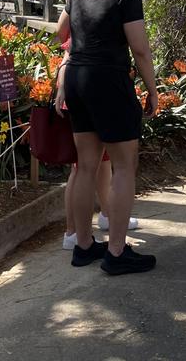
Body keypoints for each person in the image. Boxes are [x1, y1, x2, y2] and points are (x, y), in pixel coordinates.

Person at [56, 0, 158, 275]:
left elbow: (61, 34)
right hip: (109, 81)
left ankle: (84, 246)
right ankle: (116, 252)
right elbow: (140, 50)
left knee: (85, 165)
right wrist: (153, 90)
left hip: (77, 79)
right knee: (124, 165)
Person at [55, 45, 139, 250]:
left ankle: (108, 215)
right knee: (81, 168)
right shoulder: (84, 20)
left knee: (102, 163)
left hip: (89, 93)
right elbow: (68, 54)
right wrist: (62, 88)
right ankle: (72, 232)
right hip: (85, 96)